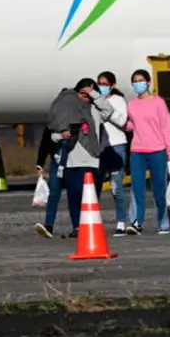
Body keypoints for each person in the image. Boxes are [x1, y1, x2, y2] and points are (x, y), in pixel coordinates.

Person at [45, 78, 120, 238]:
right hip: (72, 161)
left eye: (89, 93)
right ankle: (77, 226)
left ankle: (91, 225)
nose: (86, 96)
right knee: (74, 196)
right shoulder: (67, 112)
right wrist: (61, 135)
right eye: (83, 92)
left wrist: (92, 92)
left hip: (92, 161)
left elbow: (109, 110)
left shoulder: (95, 111)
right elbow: (52, 136)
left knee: (91, 197)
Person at [125, 68, 170, 235]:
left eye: (140, 80)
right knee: (137, 189)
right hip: (137, 151)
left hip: (157, 150)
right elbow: (131, 125)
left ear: (148, 82)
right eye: (135, 81)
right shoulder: (131, 104)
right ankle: (136, 222)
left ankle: (163, 222)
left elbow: (166, 127)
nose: (137, 84)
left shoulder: (159, 102)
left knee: (159, 190)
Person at [97, 71, 133, 236]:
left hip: (117, 145)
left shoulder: (118, 101)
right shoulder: (95, 101)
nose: (101, 87)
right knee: (94, 186)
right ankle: (93, 222)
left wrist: (105, 109)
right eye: (99, 84)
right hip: (100, 148)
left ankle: (121, 223)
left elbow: (122, 121)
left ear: (112, 86)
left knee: (116, 187)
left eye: (105, 84)